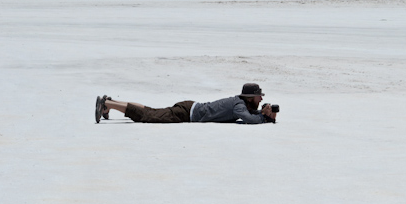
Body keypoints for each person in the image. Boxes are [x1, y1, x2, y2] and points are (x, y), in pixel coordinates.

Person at [95, 83, 277, 124]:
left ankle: (110, 102)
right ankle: (109, 104)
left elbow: (248, 114)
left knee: (152, 110)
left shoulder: (240, 103)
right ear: (249, 97)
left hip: (190, 107)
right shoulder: (239, 106)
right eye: (258, 97)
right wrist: (264, 118)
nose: (261, 99)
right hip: (187, 113)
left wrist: (262, 113)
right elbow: (247, 119)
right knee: (148, 116)